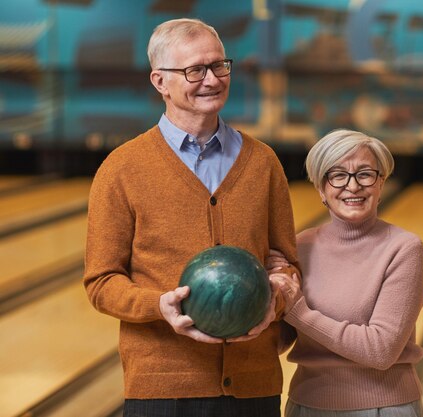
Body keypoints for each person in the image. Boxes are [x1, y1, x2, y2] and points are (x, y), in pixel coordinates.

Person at [83, 18, 299, 417]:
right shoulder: (123, 168)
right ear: (160, 81)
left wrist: (278, 299)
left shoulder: (263, 162)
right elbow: (101, 281)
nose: (212, 79)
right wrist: (157, 305)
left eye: (220, 65)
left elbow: (286, 262)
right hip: (162, 388)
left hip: (254, 385)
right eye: (194, 70)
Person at [268, 129, 423, 417]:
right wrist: (262, 299)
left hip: (383, 407)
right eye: (337, 175)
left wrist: (297, 309)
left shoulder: (404, 249)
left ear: (381, 183)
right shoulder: (301, 245)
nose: (352, 186)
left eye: (365, 174)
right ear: (321, 188)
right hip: (305, 405)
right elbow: (283, 336)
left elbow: (381, 351)